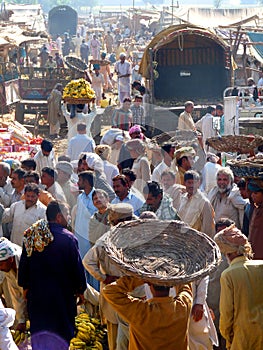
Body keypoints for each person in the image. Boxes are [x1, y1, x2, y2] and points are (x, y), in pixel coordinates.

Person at [18, 201, 86, 349]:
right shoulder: (68, 239)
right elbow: (77, 269)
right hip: (61, 299)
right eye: (67, 214)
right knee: (61, 337)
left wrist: (25, 287)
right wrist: (81, 290)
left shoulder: (32, 235)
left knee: (40, 336)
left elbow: (24, 266)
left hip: (38, 298)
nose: (69, 217)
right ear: (59, 217)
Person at [82, 203, 136, 350]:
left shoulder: (132, 238)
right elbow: (88, 261)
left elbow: (87, 261)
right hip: (121, 293)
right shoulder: (106, 241)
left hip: (127, 295)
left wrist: (103, 278)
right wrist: (104, 278)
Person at [103, 276, 192, 350]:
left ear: (149, 285)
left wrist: (141, 278)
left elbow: (109, 291)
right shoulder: (182, 307)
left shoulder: (140, 311)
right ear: (171, 285)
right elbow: (185, 285)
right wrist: (171, 276)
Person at [214, 224, 263, 350]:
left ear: (227, 253)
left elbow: (226, 314)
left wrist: (228, 338)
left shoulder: (228, 275)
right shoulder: (261, 266)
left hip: (242, 337)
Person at [178, 170, 215, 237]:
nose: (192, 186)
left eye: (194, 183)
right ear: (184, 183)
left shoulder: (204, 202)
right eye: (189, 182)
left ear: (199, 183)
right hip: (182, 239)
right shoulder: (183, 198)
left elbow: (208, 228)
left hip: (195, 242)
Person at [247, 177, 263, 259]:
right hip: (253, 255)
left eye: (256, 193)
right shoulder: (255, 209)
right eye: (251, 193)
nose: (252, 195)